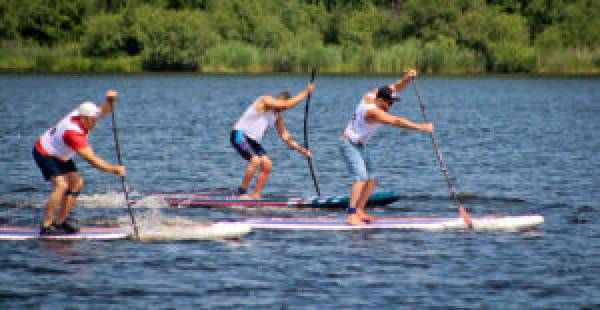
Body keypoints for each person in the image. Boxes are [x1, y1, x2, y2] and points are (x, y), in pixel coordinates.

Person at [339, 70, 433, 225]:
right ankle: (351, 215)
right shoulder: (373, 112)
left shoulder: (372, 95)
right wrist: (422, 127)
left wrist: (407, 78)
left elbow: (395, 86)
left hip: (361, 145)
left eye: (392, 102)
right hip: (348, 144)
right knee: (361, 178)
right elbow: (397, 121)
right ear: (380, 100)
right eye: (388, 102)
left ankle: (360, 211)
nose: (390, 105)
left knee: (373, 178)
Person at [33, 90, 126, 235]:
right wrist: (114, 169)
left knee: (77, 183)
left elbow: (105, 110)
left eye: (95, 119)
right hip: (44, 152)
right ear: (82, 118)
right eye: (91, 121)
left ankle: (60, 223)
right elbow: (91, 159)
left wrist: (109, 100)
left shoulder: (87, 113)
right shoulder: (73, 133)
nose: (94, 123)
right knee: (61, 185)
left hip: (60, 153)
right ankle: (46, 226)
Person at [231, 83, 315, 199]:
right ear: (279, 100)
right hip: (240, 135)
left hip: (254, 141)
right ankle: (241, 193)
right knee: (255, 161)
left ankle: (256, 194)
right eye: (281, 106)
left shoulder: (277, 116)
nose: (282, 109)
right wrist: (305, 92)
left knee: (267, 164)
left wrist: (302, 150)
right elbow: (286, 105)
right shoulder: (265, 100)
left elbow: (285, 136)